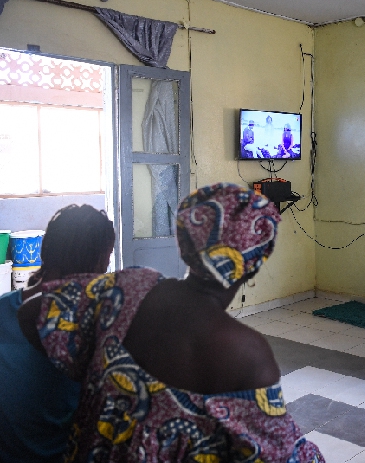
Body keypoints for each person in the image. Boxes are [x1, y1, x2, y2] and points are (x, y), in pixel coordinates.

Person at [18, 184, 324, 462]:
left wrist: (96, 369)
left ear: (184, 245)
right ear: (252, 268)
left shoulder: (129, 287)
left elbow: (31, 312)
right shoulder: (248, 353)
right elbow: (281, 453)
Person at [1, 205, 115, 463]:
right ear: (97, 266)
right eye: (105, 262)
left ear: (45, 252)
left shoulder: (4, 310)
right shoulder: (99, 326)